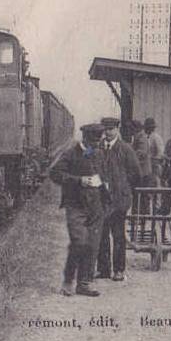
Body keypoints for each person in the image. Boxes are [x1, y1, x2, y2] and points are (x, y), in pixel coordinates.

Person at [49, 123, 107, 297]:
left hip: (95, 206)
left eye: (98, 142)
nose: (96, 146)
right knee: (79, 243)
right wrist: (78, 180)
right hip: (75, 205)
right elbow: (55, 174)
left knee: (92, 245)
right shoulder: (70, 154)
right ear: (85, 138)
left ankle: (84, 283)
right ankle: (68, 281)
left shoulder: (99, 153)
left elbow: (103, 174)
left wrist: (105, 188)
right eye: (93, 143)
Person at [96, 116, 142, 282]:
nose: (107, 133)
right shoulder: (98, 147)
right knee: (101, 235)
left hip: (119, 200)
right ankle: (103, 270)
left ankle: (119, 270)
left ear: (117, 130)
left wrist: (123, 186)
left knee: (118, 235)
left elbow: (136, 173)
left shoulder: (125, 149)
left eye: (111, 129)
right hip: (101, 200)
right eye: (105, 129)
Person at [145, 118, 166, 186]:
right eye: (147, 127)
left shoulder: (156, 138)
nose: (147, 129)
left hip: (155, 165)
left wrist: (153, 160)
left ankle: (157, 196)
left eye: (150, 127)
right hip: (147, 165)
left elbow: (160, 153)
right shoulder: (145, 137)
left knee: (156, 182)